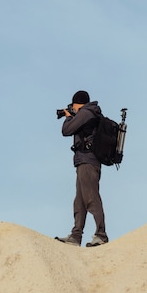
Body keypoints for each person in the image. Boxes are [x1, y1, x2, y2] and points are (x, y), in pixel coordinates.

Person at [55, 90, 109, 247]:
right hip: (83, 161)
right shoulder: (88, 113)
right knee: (79, 201)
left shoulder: (86, 112)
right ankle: (76, 236)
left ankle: (101, 235)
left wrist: (68, 116)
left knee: (91, 198)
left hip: (88, 161)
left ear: (78, 103)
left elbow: (66, 130)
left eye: (73, 105)